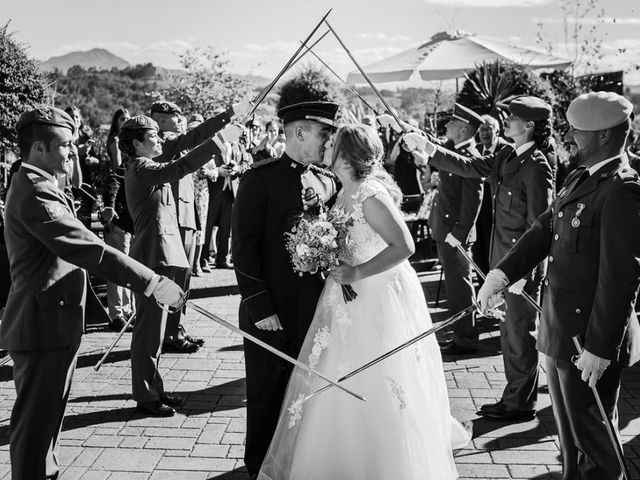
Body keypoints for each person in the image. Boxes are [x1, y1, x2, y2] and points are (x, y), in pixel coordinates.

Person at [258, 124, 470, 480]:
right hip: (344, 297)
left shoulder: (370, 194)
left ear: (346, 153)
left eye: (332, 143)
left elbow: (404, 247)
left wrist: (358, 273)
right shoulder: (342, 191)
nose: (325, 146)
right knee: (336, 370)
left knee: (377, 372)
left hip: (376, 293)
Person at [1, 106, 184, 479]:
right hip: (41, 325)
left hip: (53, 320)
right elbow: (90, 249)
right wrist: (152, 282)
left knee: (47, 423)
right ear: (38, 148)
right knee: (36, 430)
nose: (72, 152)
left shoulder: (39, 181)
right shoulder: (35, 193)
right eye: (66, 146)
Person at [478, 91, 640, 480]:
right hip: (559, 332)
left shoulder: (622, 188)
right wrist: (500, 275)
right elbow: (542, 229)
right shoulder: (581, 176)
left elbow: (620, 278)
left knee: (596, 452)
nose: (569, 137)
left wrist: (601, 348)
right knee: (572, 449)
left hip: (588, 342)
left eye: (577, 130)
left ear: (603, 135)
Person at [408, 97, 555, 421]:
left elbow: (540, 226)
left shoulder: (537, 164)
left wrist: (524, 272)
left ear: (529, 125)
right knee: (509, 333)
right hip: (503, 262)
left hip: (519, 268)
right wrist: (429, 148)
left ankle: (519, 403)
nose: (506, 120)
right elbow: (470, 167)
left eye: (513, 117)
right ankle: (514, 396)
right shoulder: (506, 154)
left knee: (519, 334)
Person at [232, 101, 340, 478]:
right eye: (322, 133)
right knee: (267, 389)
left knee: (307, 390)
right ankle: (260, 464)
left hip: (314, 306)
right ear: (298, 132)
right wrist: (260, 306)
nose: (328, 140)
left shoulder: (327, 181)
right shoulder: (258, 179)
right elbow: (242, 248)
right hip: (271, 308)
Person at [122, 114, 243, 416]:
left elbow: (190, 139)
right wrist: (221, 141)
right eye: (153, 136)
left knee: (157, 330)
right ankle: (146, 396)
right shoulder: (141, 168)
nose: (160, 139)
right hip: (153, 256)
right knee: (148, 332)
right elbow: (181, 167)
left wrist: (229, 115)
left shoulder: (148, 163)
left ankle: (154, 389)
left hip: (165, 253)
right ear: (137, 143)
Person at [150, 99, 251, 352]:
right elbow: (198, 138)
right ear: (162, 119)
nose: (180, 119)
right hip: (173, 220)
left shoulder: (173, 139)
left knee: (183, 281)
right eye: (176, 116)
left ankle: (175, 330)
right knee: (170, 281)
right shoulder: (162, 141)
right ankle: (166, 333)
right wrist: (228, 117)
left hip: (187, 217)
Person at [429, 103, 484, 355]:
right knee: (455, 285)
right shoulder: (452, 149)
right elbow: (433, 145)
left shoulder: (470, 157)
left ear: (463, 129)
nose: (447, 125)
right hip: (446, 229)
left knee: (460, 286)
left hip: (455, 233)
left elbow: (474, 200)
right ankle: (461, 333)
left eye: (452, 122)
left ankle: (466, 337)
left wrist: (459, 234)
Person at [102, 107, 135, 330]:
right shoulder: (118, 152)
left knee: (129, 266)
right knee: (118, 266)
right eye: (122, 118)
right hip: (119, 219)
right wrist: (109, 206)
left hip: (131, 222)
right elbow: (114, 178)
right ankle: (116, 314)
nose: (126, 121)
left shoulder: (135, 160)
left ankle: (128, 311)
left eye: (128, 118)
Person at [472, 114, 511, 275]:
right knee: (478, 249)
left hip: (498, 208)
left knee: (494, 249)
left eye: (488, 129)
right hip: (477, 208)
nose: (485, 134)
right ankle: (482, 286)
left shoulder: (506, 149)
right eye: (482, 130)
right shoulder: (475, 150)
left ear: (497, 130)